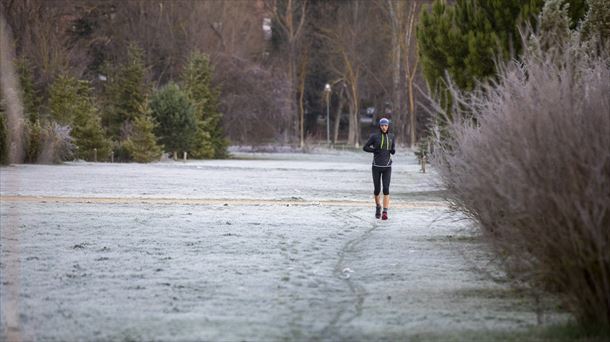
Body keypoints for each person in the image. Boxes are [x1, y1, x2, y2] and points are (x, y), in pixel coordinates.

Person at [363, 118, 395, 220]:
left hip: (387, 167)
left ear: (388, 126)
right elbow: (365, 147)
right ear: (379, 126)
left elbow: (392, 148)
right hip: (376, 167)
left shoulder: (391, 136)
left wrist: (393, 150)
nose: (384, 127)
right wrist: (374, 150)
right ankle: (378, 207)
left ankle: (385, 212)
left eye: (386, 125)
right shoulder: (374, 137)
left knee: (386, 189)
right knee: (377, 190)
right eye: (382, 126)